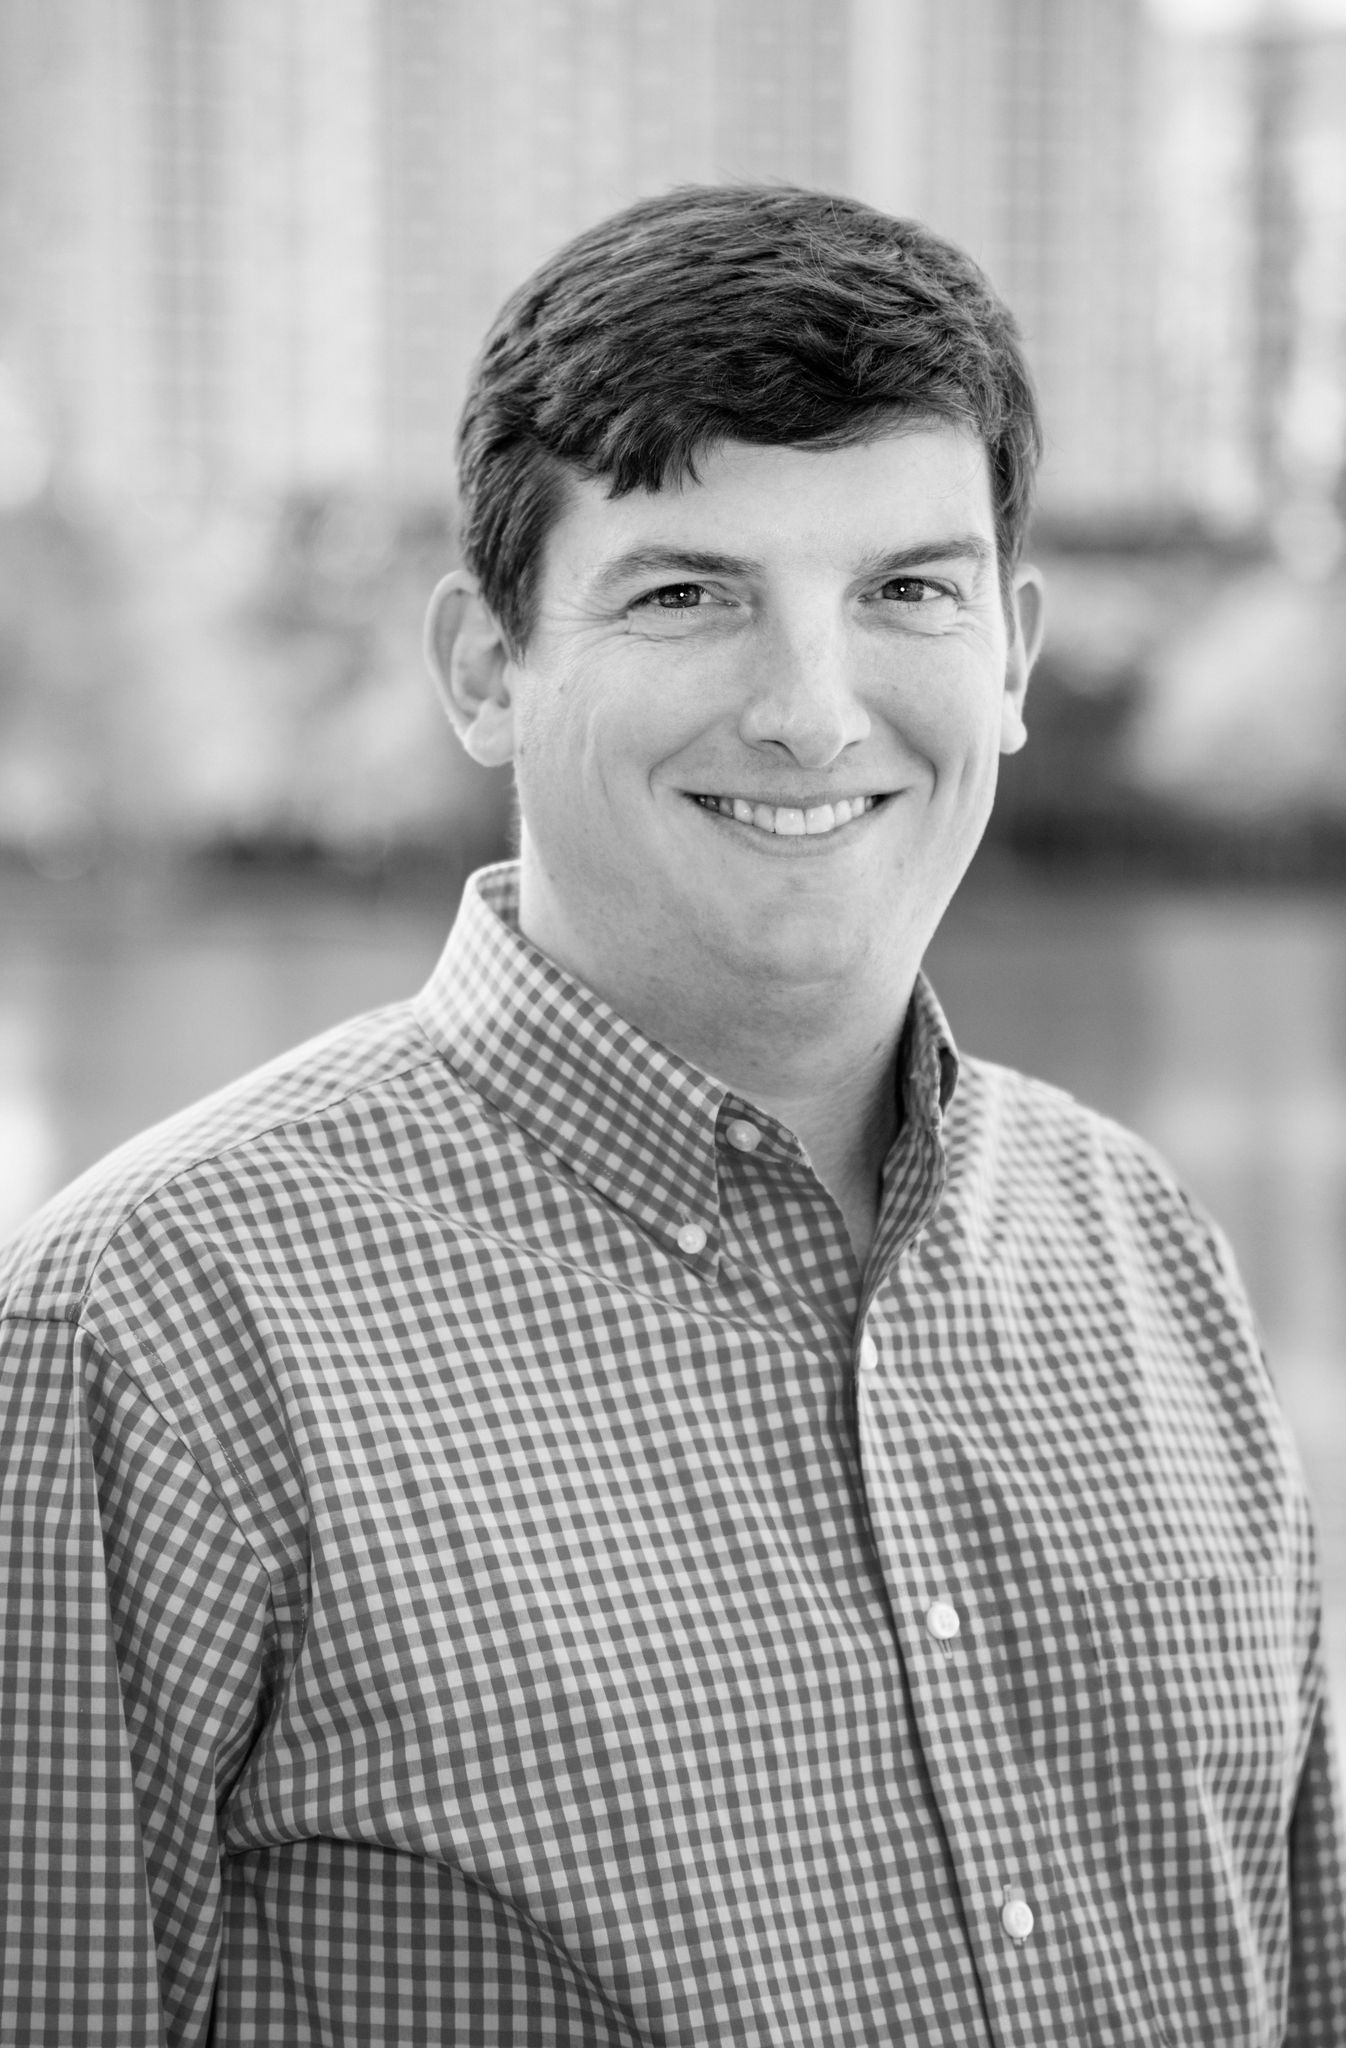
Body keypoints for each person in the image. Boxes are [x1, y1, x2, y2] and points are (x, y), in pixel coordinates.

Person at [0, 185, 1341, 2048]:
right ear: (485, 666)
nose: (809, 709)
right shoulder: (146, 1328)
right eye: (687, 595)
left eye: (906, 592)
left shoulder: (1145, 1252)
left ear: (1011, 657)